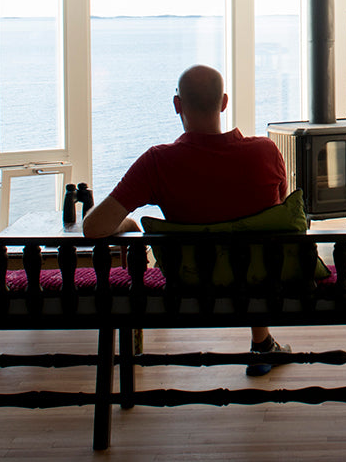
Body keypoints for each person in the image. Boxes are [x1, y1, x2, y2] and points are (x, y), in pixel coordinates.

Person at [82, 64, 292, 375]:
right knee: (250, 248)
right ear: (224, 102)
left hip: (190, 284)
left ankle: (263, 345)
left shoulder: (157, 163)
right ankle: (261, 344)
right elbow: (278, 217)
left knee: (234, 253)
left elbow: (93, 227)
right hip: (260, 281)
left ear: (177, 105)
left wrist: (127, 225)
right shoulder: (266, 152)